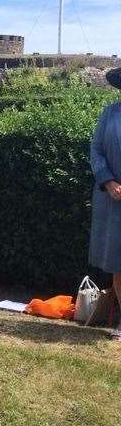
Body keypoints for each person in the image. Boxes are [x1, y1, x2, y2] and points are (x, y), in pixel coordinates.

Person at [89, 67, 121, 342]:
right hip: (115, 198)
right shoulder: (110, 113)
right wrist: (108, 181)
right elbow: (96, 149)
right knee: (118, 263)